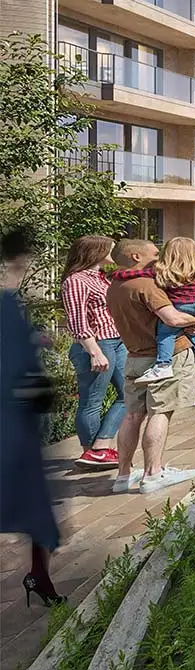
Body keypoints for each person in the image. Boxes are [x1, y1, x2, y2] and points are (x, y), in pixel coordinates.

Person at [106, 239, 195, 495]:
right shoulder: (147, 285)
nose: (159, 257)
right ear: (136, 256)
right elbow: (172, 318)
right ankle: (153, 474)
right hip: (165, 359)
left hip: (134, 356)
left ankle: (123, 476)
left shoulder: (115, 286)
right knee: (160, 412)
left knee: (132, 415)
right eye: (155, 253)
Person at [2, 227, 66, 608]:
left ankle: (39, 575)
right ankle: (39, 575)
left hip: (17, 418)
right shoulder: (7, 303)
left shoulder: (11, 303)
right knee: (29, 498)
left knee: (32, 499)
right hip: (11, 420)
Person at [61, 235, 128, 469]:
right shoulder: (76, 280)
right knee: (92, 401)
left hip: (117, 342)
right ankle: (91, 451)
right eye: (111, 249)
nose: (115, 254)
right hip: (97, 344)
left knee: (130, 394)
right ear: (96, 251)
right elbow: (77, 320)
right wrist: (94, 352)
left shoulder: (101, 278)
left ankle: (100, 446)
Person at [134, 238, 195, 383]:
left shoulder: (162, 270)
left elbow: (140, 276)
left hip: (179, 305)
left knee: (166, 334)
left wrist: (120, 275)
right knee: (190, 327)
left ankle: (163, 365)